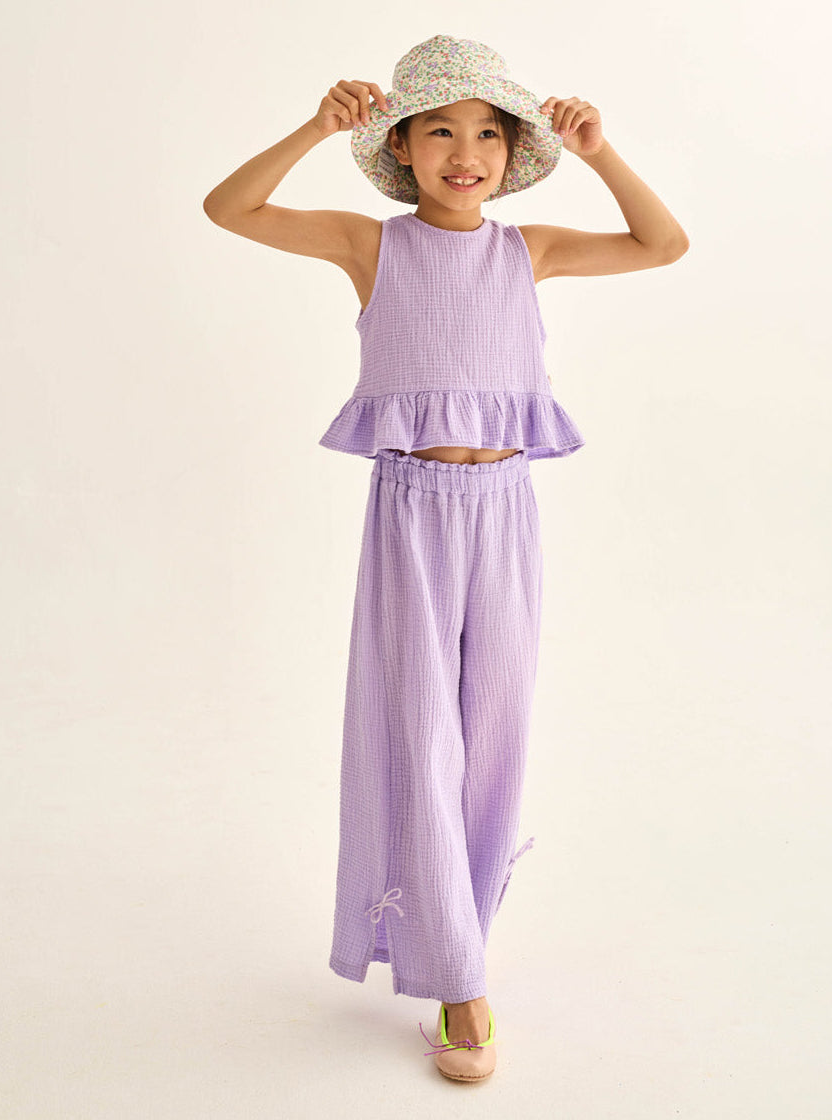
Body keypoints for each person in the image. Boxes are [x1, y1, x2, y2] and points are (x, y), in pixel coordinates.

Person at [203, 33, 689, 1083]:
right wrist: (315, 127)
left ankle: (463, 930)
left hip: (505, 512)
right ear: (402, 148)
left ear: (511, 153)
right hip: (412, 513)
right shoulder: (369, 246)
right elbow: (228, 209)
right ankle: (459, 983)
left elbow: (663, 243)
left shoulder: (530, 251)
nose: (464, 154)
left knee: (493, 733)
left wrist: (599, 152)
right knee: (420, 733)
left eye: (486, 135)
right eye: (439, 132)